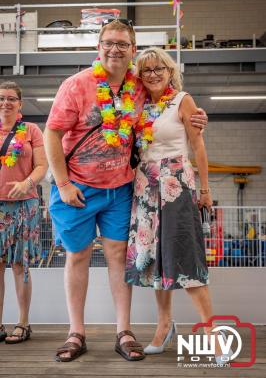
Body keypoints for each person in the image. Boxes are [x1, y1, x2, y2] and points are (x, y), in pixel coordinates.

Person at [44, 19, 208, 362]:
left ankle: (124, 330)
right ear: (98, 47)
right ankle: (76, 333)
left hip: (120, 188)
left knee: (119, 257)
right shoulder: (76, 85)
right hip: (77, 188)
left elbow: (168, 102)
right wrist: (62, 183)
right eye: (108, 42)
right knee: (78, 256)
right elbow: (52, 134)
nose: (114, 49)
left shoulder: (138, 84)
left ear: (132, 50)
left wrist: (197, 116)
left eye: (122, 43)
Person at [125, 47, 232, 364]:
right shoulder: (138, 107)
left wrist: (205, 188)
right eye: (147, 70)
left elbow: (198, 146)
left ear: (170, 71)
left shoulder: (182, 100)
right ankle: (163, 327)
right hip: (145, 187)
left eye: (159, 68)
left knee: (186, 256)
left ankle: (212, 335)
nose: (154, 74)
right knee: (157, 262)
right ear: (140, 77)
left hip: (177, 185)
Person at [0, 81, 47, 344]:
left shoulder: (30, 130)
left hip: (24, 206)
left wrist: (26, 183)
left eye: (11, 99)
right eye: (1, 98)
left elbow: (41, 165)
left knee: (20, 266)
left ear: (19, 103)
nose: (5, 103)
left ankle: (23, 323)